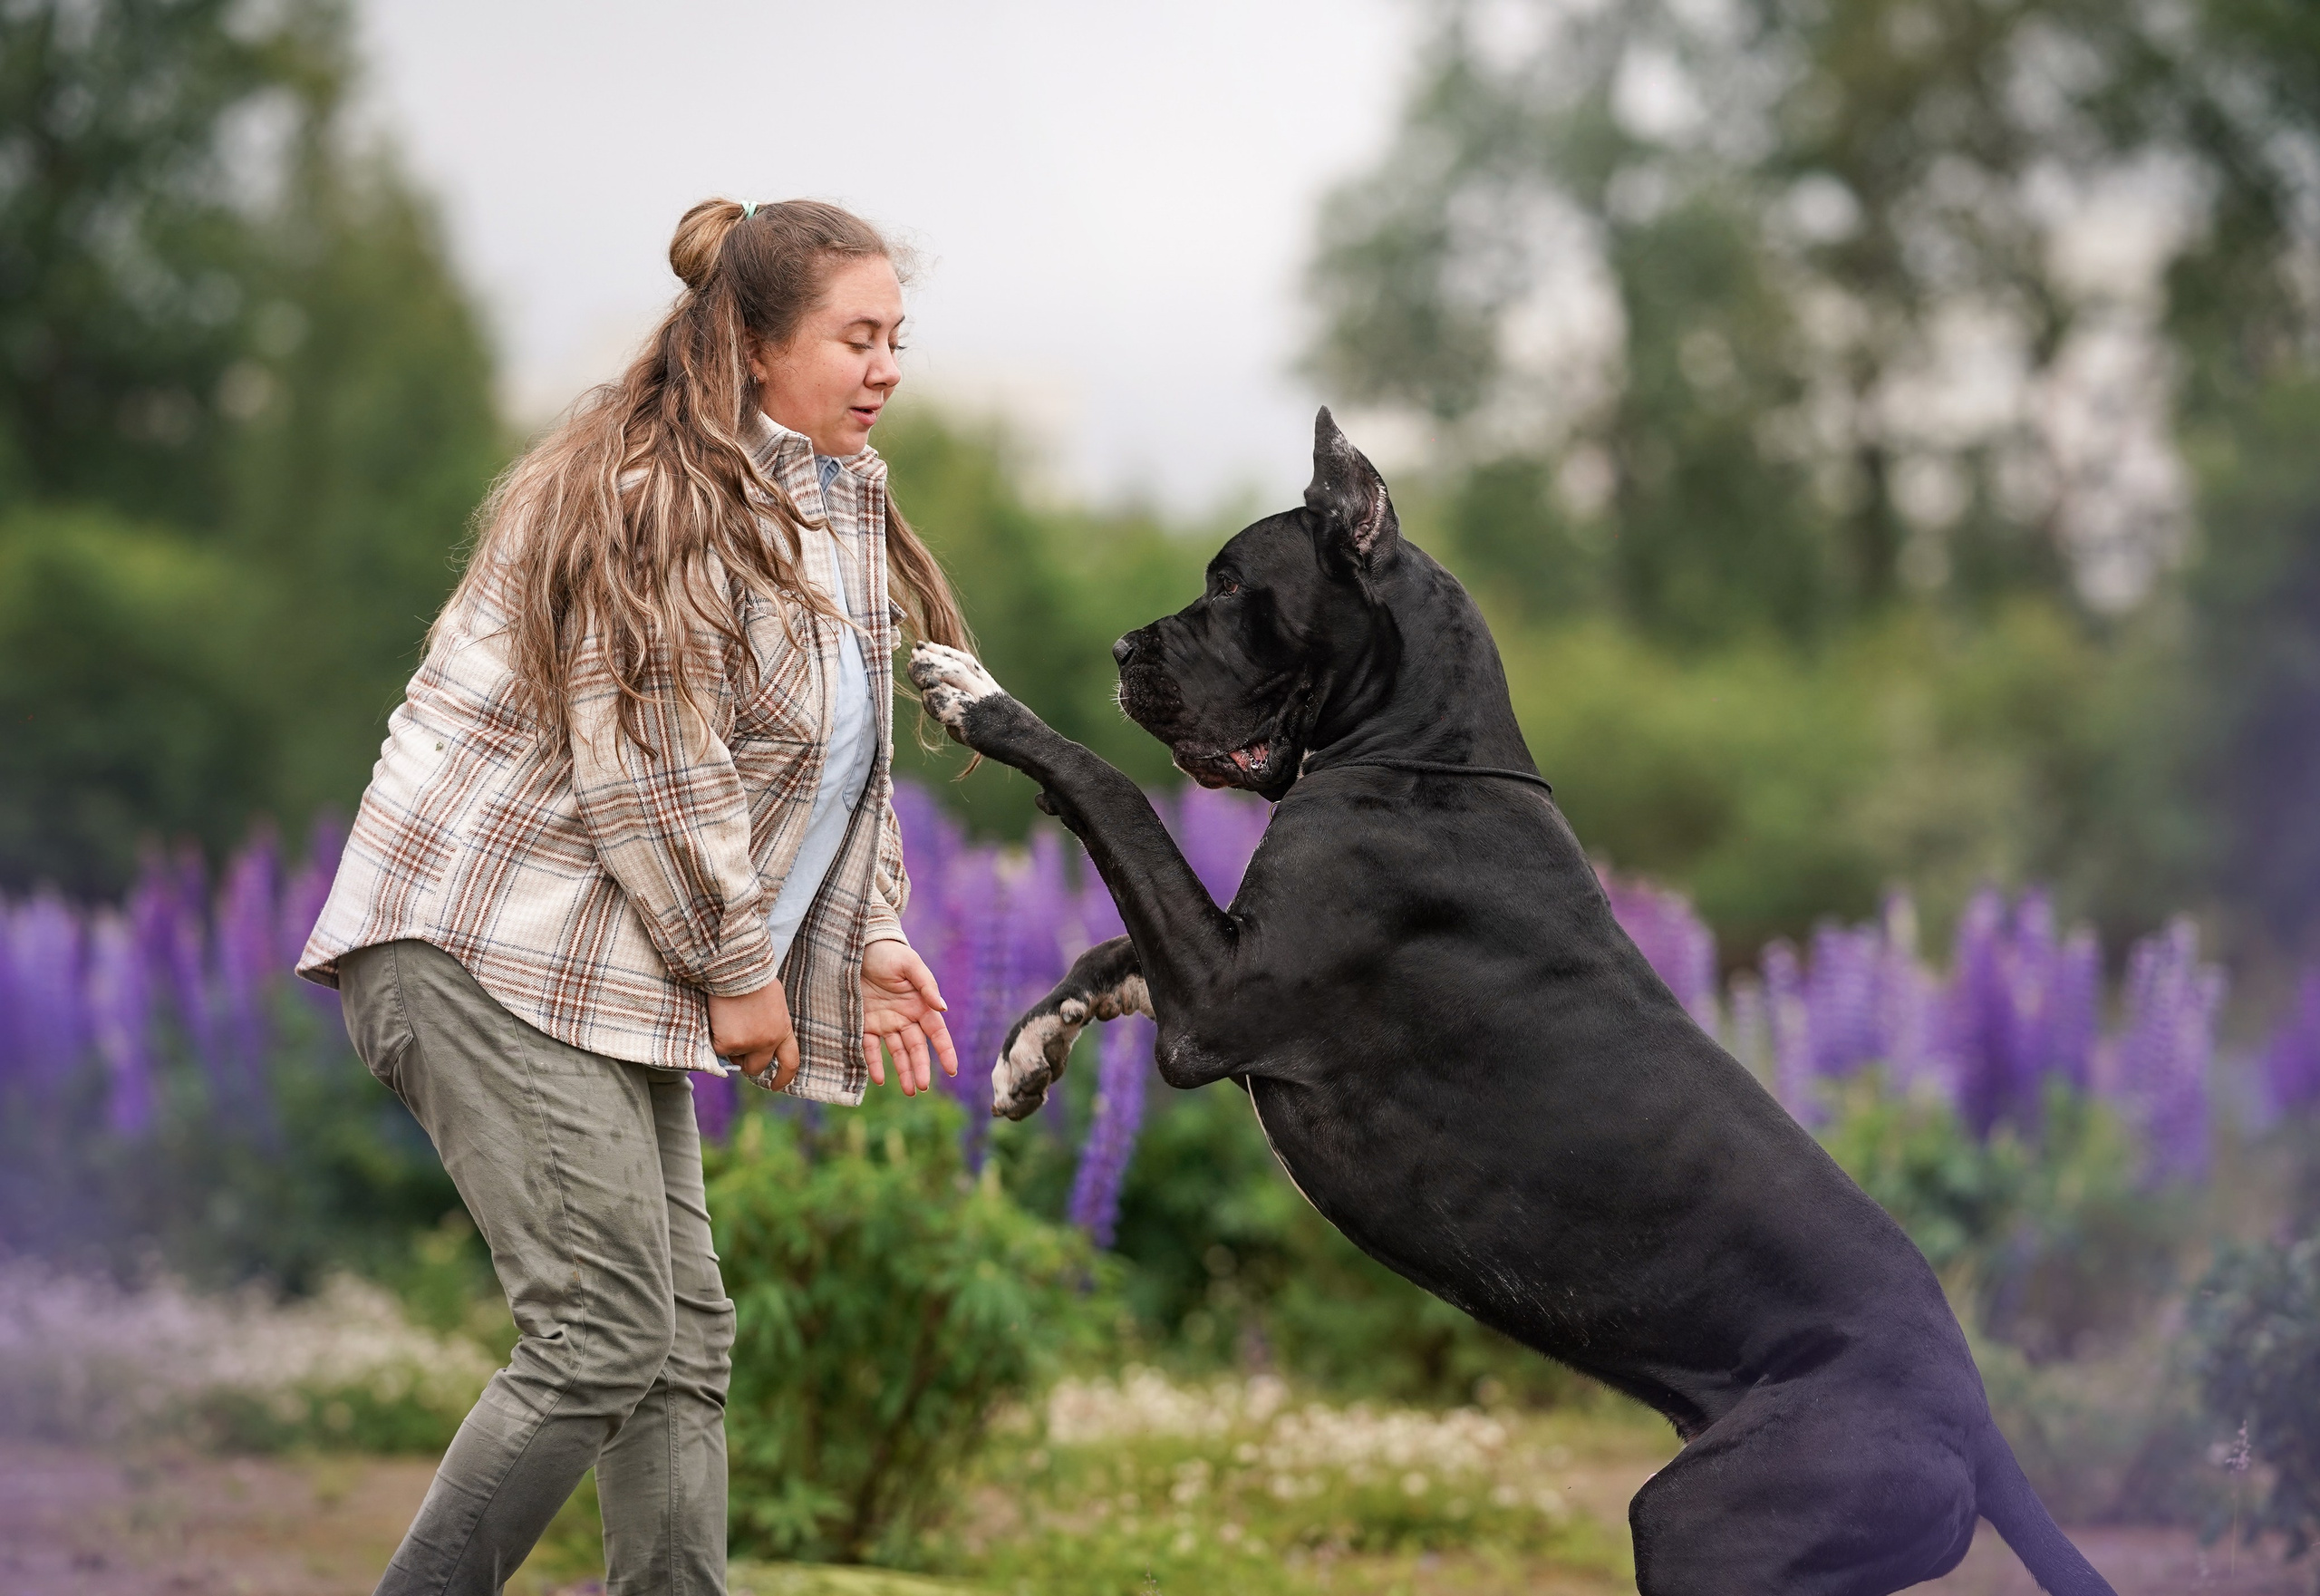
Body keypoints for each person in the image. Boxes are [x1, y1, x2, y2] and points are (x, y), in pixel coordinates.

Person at [296, 197, 965, 1595]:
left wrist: (869, 935)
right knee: (602, 1327)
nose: (889, 365)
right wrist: (740, 968)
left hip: (595, 960)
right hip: (481, 942)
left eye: (898, 336)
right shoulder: (656, 492)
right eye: (859, 336)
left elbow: (831, 754)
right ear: (757, 339)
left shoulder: (833, 499)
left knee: (677, 1342)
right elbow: (655, 764)